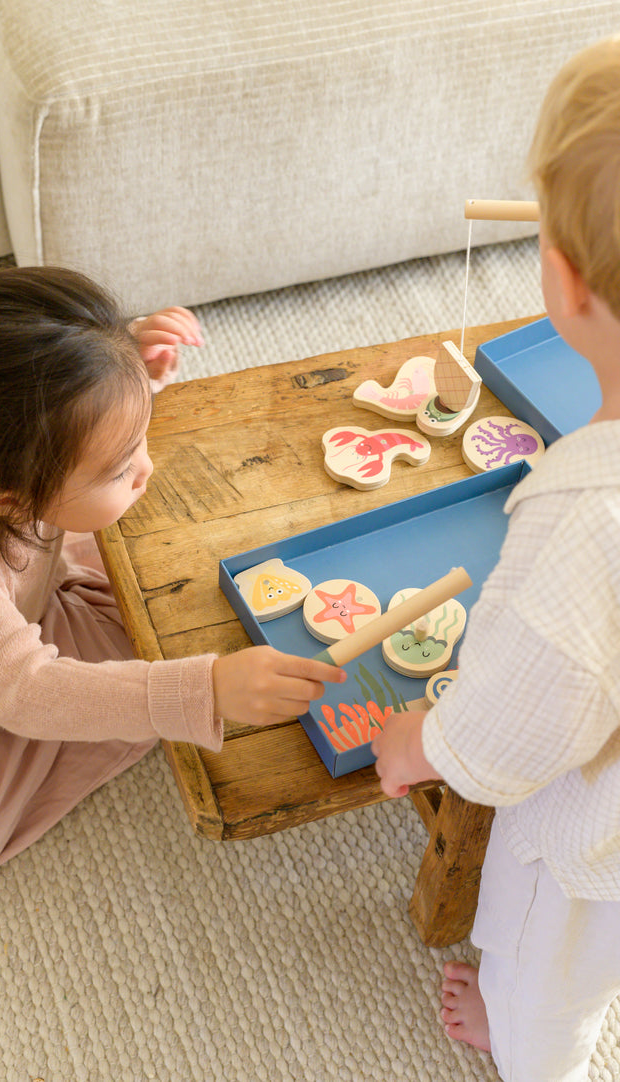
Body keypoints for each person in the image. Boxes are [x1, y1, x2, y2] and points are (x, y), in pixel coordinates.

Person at [0, 265, 346, 901]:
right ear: (9, 500)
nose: (148, 467)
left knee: (163, 620)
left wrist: (120, 377)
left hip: (30, 616)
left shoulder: (5, 463)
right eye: (119, 465)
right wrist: (207, 691)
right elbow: (25, 692)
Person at [372, 37, 620, 1082]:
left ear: (560, 283)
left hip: (597, 844)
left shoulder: (586, 518)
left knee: (549, 968)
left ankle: (532, 1050)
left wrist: (419, 739)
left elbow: (525, 711)